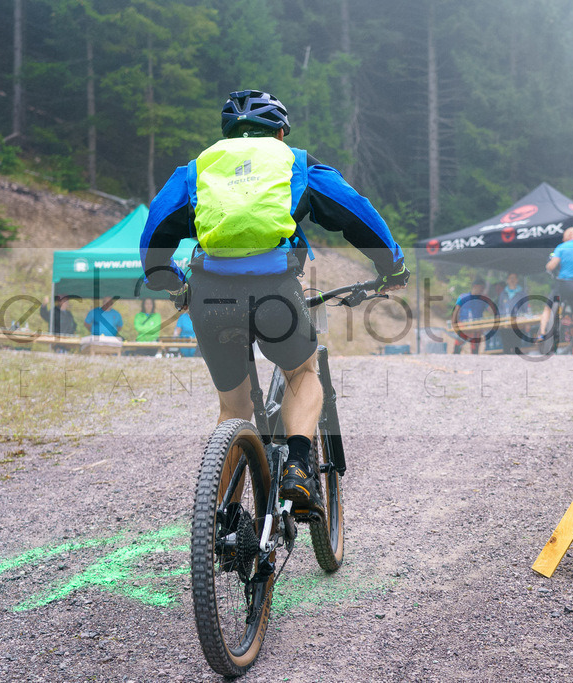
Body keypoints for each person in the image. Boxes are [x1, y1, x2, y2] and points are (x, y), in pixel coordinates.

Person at [140, 89, 408, 513]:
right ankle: (299, 468)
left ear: (227, 135)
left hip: (210, 294)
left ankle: (222, 515)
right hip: (275, 291)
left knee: (234, 407)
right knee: (303, 372)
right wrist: (392, 267)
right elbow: (356, 212)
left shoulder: (195, 170)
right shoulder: (296, 162)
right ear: (280, 132)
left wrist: (176, 287)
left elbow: (153, 242)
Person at [540, 221, 573, 347]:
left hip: (563, 284)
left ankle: (541, 334)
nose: (562, 239)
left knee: (548, 308)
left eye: (563, 236)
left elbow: (552, 266)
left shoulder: (561, 247)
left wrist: (548, 264)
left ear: (568, 235)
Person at [451, 278, 490, 355]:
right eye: (481, 288)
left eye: (483, 289)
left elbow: (490, 310)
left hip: (476, 326)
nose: (482, 290)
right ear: (475, 286)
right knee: (457, 346)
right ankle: (454, 359)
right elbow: (456, 311)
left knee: (475, 348)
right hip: (464, 325)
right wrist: (454, 323)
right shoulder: (463, 297)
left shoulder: (482, 300)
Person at [497, 272, 530, 355]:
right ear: (507, 280)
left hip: (518, 325)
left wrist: (528, 323)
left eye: (514, 278)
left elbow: (527, 309)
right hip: (505, 325)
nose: (512, 280)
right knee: (506, 347)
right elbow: (500, 308)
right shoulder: (502, 294)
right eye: (510, 278)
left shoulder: (522, 294)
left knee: (516, 347)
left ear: (517, 280)